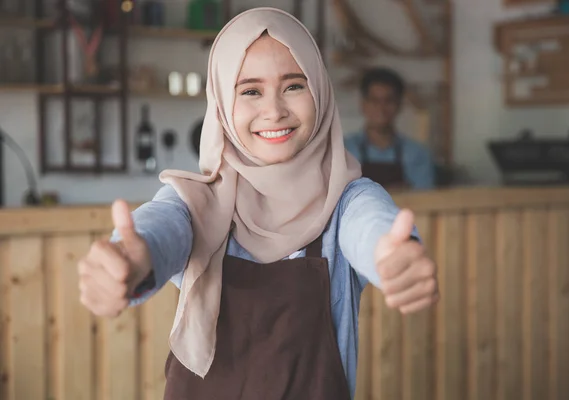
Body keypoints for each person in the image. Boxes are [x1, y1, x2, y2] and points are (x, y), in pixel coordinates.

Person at [76, 8, 439, 400]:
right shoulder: (195, 203)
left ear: (320, 90)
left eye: (294, 86)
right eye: (250, 90)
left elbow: (372, 226)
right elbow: (159, 227)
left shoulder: (348, 201)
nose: (274, 110)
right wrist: (132, 259)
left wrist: (392, 255)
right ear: (221, 105)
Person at [344, 67, 435, 189]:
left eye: (388, 101)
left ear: (399, 105)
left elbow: (426, 199)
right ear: (363, 105)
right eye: (374, 101)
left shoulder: (416, 154)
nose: (381, 108)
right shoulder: (345, 151)